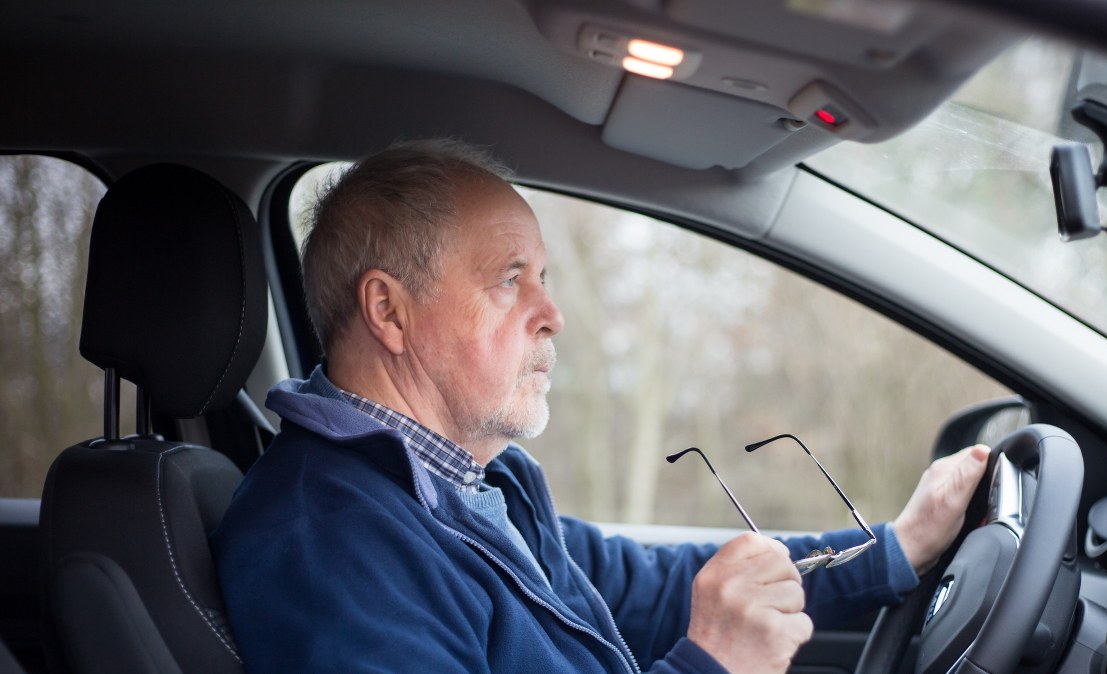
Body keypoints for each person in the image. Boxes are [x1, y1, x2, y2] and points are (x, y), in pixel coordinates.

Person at [211, 139, 991, 674]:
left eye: (545, 278)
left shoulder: (472, 486)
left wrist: (895, 549)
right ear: (389, 311)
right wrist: (710, 663)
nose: (553, 314)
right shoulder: (327, 546)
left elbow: (642, 584)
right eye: (511, 279)